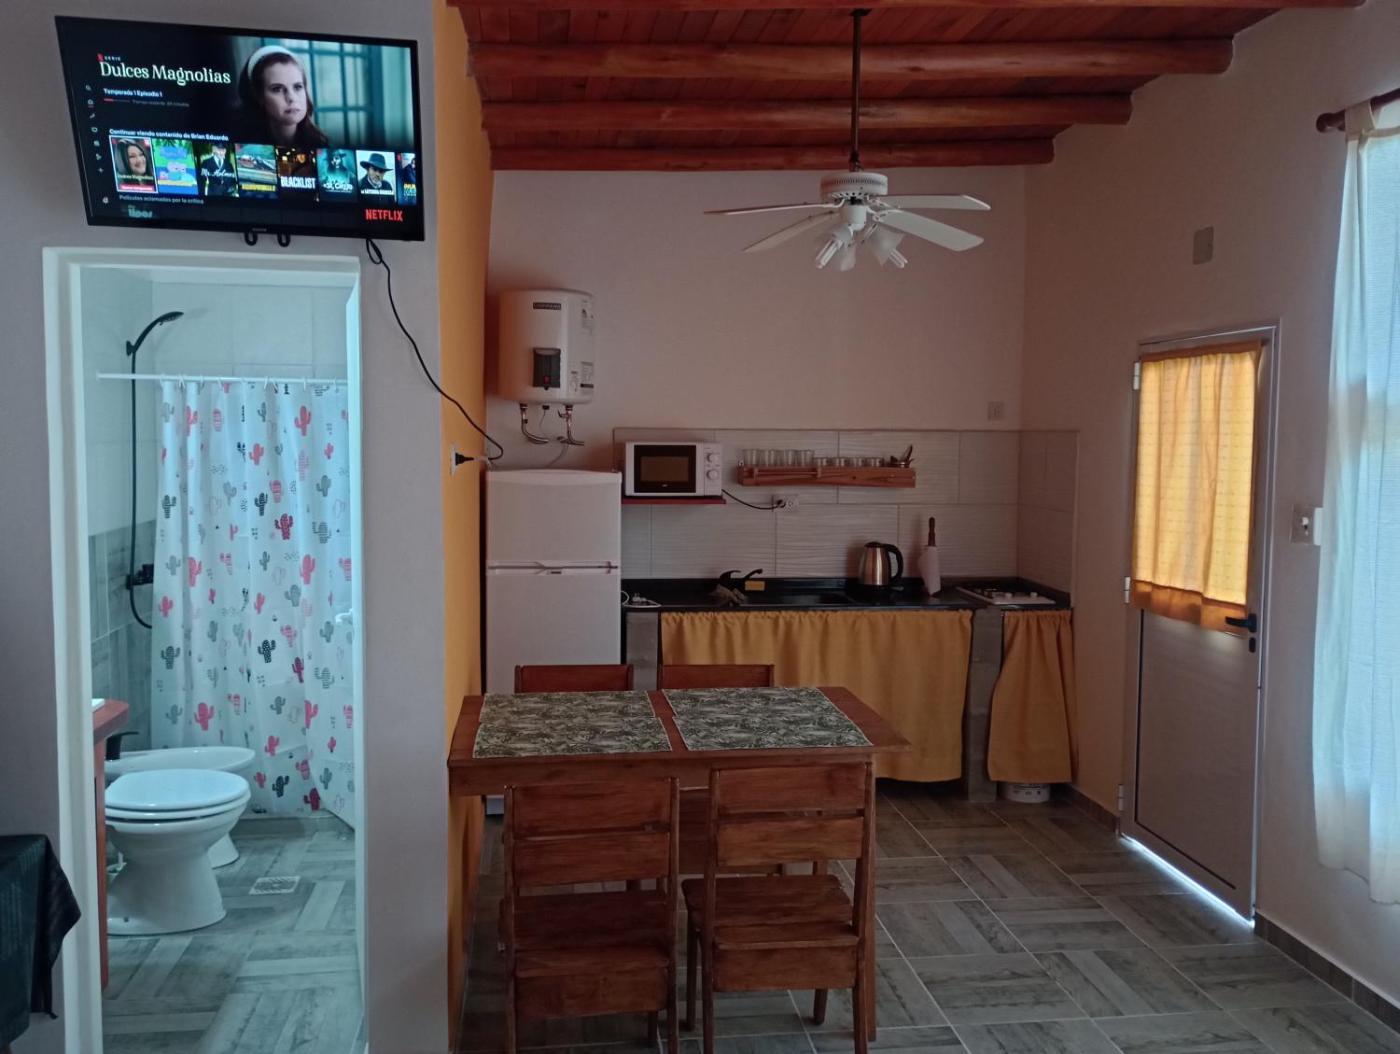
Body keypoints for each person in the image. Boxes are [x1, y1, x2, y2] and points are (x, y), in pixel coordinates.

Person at [235, 45, 329, 148]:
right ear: (259, 96)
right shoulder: (244, 147)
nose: (291, 98)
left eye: (297, 87)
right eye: (277, 89)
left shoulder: (321, 145)